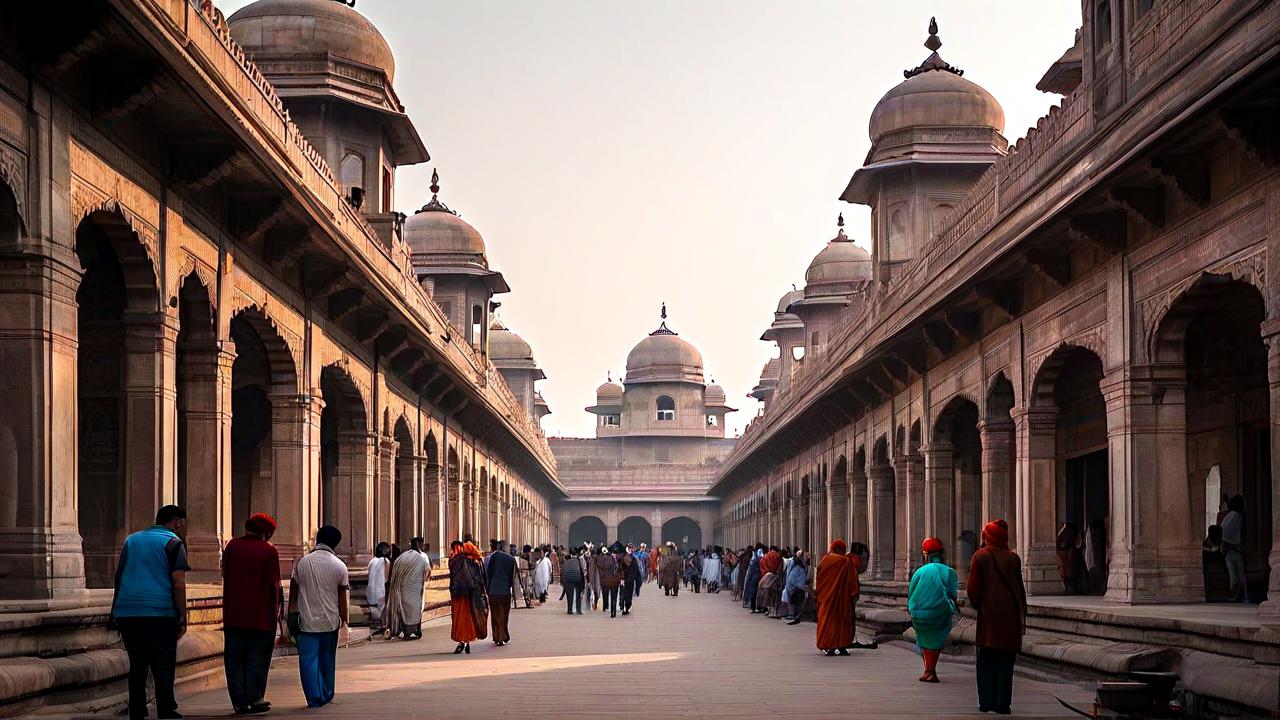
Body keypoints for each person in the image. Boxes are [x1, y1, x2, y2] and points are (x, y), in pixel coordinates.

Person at [111, 505, 190, 720]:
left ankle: (137, 708)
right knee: (163, 662)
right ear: (177, 521)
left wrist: (116, 609)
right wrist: (183, 615)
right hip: (159, 612)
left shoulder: (131, 540)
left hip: (128, 611)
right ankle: (166, 708)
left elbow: (119, 575)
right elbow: (178, 583)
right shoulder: (173, 543)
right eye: (183, 523)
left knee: (137, 663)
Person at [222, 513, 282, 716]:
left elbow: (226, 575)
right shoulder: (268, 551)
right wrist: (275, 615)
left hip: (234, 614)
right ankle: (255, 697)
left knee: (234, 659)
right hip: (261, 616)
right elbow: (273, 586)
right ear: (266, 533)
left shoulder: (232, 546)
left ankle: (239, 702)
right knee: (257, 658)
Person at [967, 519, 1027, 715]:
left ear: (987, 536)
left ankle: (986, 701)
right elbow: (1020, 588)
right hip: (1010, 617)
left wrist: (979, 604)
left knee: (986, 660)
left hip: (989, 617)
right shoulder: (1013, 558)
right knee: (1005, 661)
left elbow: (972, 590)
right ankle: (1002, 703)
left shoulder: (980, 556)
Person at [289, 525, 349, 709]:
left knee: (308, 661)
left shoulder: (303, 563)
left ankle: (314, 698)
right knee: (327, 659)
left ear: (317, 540)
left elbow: (293, 592)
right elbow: (342, 598)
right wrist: (344, 621)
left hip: (306, 621)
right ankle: (327, 692)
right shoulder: (339, 565)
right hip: (330, 621)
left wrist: (289, 616)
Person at [908, 537, 959, 683]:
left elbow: (911, 592)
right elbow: (952, 593)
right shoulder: (949, 572)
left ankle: (928, 670)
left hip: (918, 612)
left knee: (925, 639)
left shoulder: (919, 572)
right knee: (934, 640)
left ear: (925, 555)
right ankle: (930, 670)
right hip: (938, 612)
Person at [815, 539, 859, 656]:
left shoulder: (824, 561)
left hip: (826, 599)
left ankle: (830, 646)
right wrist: (854, 594)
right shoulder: (846, 562)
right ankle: (842, 646)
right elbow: (852, 580)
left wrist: (819, 595)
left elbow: (819, 579)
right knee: (843, 622)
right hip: (843, 599)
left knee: (828, 621)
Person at [384, 537, 431, 640]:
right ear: (418, 545)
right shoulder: (421, 559)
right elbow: (428, 572)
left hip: (401, 589)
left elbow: (394, 574)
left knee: (403, 610)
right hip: (415, 590)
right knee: (415, 611)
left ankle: (406, 631)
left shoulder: (402, 557)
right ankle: (412, 632)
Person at [449, 540, 487, 654]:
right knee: (469, 617)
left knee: (460, 618)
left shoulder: (455, 559)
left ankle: (462, 642)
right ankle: (467, 642)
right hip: (472, 594)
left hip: (458, 595)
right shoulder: (473, 559)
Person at [485, 539, 518, 644]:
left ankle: (497, 636)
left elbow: (488, 572)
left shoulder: (493, 557)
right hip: (505, 591)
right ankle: (503, 635)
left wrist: (487, 588)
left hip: (493, 591)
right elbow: (512, 577)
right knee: (504, 615)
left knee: (495, 615)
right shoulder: (511, 559)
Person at [1221, 495, 1248, 603]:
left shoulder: (1231, 515)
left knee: (1234, 575)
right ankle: (1241, 596)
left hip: (1230, 549)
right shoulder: (1236, 515)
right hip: (1235, 548)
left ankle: (1236, 596)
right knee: (1239, 575)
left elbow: (1223, 530)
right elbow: (1226, 531)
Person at [366, 542, 390, 633]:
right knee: (382, 610)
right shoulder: (385, 561)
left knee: (374, 609)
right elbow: (386, 578)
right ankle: (383, 626)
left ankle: (377, 625)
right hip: (381, 590)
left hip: (371, 589)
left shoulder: (372, 560)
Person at [597, 544, 623, 617]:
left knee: (610, 595)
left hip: (608, 579)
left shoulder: (607, 559)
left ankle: (611, 611)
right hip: (615, 580)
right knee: (614, 596)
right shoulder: (617, 560)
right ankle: (613, 611)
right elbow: (620, 570)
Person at [784, 550, 808, 623]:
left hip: (792, 588)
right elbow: (801, 583)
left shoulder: (794, 566)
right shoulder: (800, 569)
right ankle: (796, 615)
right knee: (799, 600)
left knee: (795, 600)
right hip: (795, 589)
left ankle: (794, 615)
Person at [560, 546, 585, 615]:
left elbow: (563, 572)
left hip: (568, 579)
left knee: (570, 595)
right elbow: (582, 571)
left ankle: (570, 610)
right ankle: (578, 609)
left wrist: (563, 581)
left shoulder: (567, 562)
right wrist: (583, 582)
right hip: (578, 579)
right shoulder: (579, 561)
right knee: (578, 595)